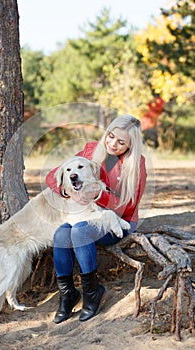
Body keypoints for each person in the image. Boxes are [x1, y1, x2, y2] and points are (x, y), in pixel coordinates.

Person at [46, 115, 147, 324]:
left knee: (80, 230)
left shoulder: (137, 163)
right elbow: (53, 176)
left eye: (121, 142)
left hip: (120, 220)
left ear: (131, 145)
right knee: (61, 233)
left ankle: (92, 292)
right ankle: (68, 295)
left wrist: (99, 195)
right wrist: (67, 193)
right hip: (89, 215)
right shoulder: (90, 150)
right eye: (110, 136)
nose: (112, 144)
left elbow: (130, 206)